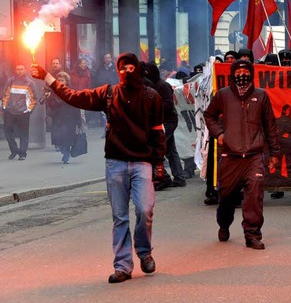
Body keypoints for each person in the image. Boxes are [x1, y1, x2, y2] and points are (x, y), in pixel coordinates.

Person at [31, 52, 166, 283]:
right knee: (119, 216)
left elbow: (157, 132)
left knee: (145, 210)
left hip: (142, 161)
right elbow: (73, 96)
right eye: (122, 68)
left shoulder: (151, 96)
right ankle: (123, 265)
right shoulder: (109, 93)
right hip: (115, 162)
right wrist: (47, 78)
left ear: (139, 69)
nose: (127, 72)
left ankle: (144, 252)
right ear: (117, 70)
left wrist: (159, 164)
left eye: (131, 68)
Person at [204, 59, 280, 250]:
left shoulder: (261, 96)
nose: (242, 75)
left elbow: (270, 126)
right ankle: (224, 223)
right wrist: (220, 134)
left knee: (254, 194)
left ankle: (252, 234)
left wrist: (274, 153)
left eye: (245, 71)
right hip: (230, 156)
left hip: (254, 155)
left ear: (251, 74)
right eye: (238, 72)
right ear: (232, 75)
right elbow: (209, 115)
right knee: (227, 197)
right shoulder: (223, 95)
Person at [144, 62, 186, 189]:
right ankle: (179, 178)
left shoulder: (162, 86)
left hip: (168, 121)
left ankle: (164, 178)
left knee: (155, 149)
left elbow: (168, 104)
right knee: (170, 150)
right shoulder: (152, 85)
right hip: (161, 121)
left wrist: (154, 107)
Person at [46, 71, 83, 164]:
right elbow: (50, 104)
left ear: (67, 81)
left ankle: (66, 154)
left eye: (62, 80)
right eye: (59, 80)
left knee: (67, 139)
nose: (60, 82)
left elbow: (76, 105)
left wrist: (79, 121)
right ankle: (63, 150)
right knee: (58, 138)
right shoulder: (54, 90)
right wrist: (51, 99)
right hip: (58, 117)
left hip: (69, 117)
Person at [2, 63, 36, 160]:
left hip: (23, 112)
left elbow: (34, 99)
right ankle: (14, 150)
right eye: (18, 69)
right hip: (10, 111)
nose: (19, 71)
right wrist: (4, 107)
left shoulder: (30, 83)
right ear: (15, 71)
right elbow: (6, 94)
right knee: (7, 131)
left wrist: (29, 110)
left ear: (25, 70)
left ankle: (22, 153)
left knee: (23, 133)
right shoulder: (10, 81)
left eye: (21, 69)